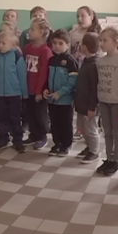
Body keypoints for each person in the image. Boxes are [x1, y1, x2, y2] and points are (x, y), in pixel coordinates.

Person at [95, 26, 118, 176]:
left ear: (116, 42)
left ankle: (116, 160)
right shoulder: (100, 61)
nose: (101, 43)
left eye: (105, 40)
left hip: (117, 102)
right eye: (100, 40)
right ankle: (109, 159)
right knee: (107, 132)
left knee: (117, 132)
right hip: (103, 101)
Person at [0, 31, 27, 153]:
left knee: (15, 118)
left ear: (13, 45)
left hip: (14, 94)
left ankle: (18, 141)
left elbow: (22, 76)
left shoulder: (17, 56)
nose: (0, 45)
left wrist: (24, 93)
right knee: (1, 118)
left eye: (3, 43)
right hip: (0, 94)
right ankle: (2, 140)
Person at [44, 29, 78, 157]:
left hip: (65, 99)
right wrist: (46, 89)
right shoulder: (51, 60)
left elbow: (73, 80)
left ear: (67, 45)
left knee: (65, 123)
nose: (57, 46)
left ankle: (66, 145)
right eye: (55, 43)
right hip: (52, 99)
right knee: (54, 122)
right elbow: (48, 77)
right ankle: (57, 143)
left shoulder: (70, 61)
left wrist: (60, 92)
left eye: (60, 43)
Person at [22, 18, 53, 150]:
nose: (30, 31)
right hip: (27, 87)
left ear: (41, 32)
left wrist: (39, 91)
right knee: (29, 113)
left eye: (33, 29)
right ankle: (33, 134)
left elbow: (44, 73)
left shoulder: (45, 51)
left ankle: (42, 136)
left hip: (38, 90)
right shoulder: (27, 48)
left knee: (40, 114)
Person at [74, 33, 101, 164]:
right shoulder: (86, 61)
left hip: (89, 106)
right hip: (81, 104)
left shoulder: (94, 65)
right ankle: (89, 147)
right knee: (83, 129)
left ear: (84, 47)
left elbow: (95, 89)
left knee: (91, 130)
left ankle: (94, 151)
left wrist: (92, 107)